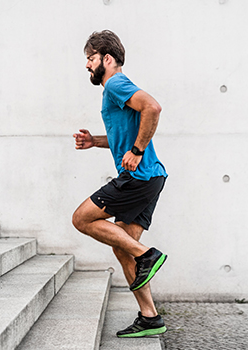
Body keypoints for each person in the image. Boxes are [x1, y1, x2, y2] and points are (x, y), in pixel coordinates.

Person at [71, 30, 169, 338]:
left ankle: (148, 254)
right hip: (152, 177)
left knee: (82, 218)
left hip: (139, 177)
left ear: (107, 58)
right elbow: (124, 133)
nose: (87, 65)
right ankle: (150, 317)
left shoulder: (114, 83)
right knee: (122, 248)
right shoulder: (114, 90)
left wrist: (137, 151)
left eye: (90, 58)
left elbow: (152, 108)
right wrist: (95, 141)